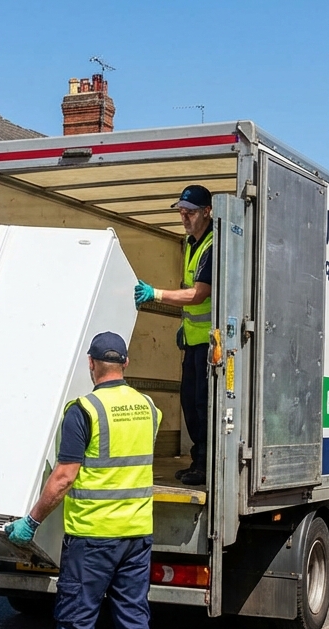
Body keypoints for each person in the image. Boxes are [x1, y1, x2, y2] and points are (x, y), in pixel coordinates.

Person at [4, 331, 161, 629]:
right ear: (125, 364)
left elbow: (63, 478)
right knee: (134, 623)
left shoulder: (84, 411)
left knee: (77, 624)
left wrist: (32, 522)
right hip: (136, 534)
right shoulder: (148, 408)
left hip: (92, 537)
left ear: (91, 364)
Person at [133, 184, 212, 486]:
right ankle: (198, 462)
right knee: (190, 405)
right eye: (181, 212)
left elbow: (199, 294)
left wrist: (156, 294)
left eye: (190, 212)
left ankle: (206, 466)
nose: (184, 217)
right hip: (193, 341)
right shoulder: (191, 243)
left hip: (210, 344)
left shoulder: (212, 244)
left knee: (203, 408)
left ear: (207, 212)